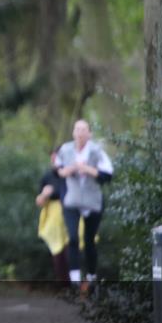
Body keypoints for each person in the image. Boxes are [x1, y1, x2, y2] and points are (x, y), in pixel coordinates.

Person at [55, 119, 114, 292]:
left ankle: (91, 277)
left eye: (84, 130)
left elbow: (107, 175)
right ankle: (74, 279)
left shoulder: (97, 152)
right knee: (72, 238)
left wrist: (88, 169)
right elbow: (58, 170)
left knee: (89, 241)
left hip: (92, 201)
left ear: (89, 133)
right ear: (73, 133)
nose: (80, 133)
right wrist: (70, 169)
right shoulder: (65, 150)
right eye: (77, 129)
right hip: (71, 200)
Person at [35, 149, 69, 284]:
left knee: (71, 251)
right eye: (52, 159)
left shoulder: (71, 174)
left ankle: (79, 285)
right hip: (54, 220)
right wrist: (44, 194)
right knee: (58, 254)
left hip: (72, 216)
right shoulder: (47, 177)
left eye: (57, 158)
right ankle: (64, 285)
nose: (54, 162)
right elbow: (39, 201)